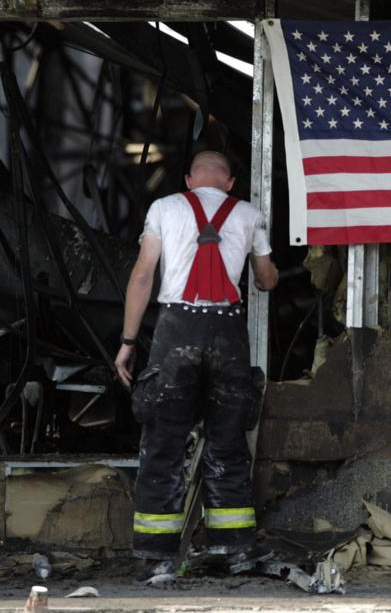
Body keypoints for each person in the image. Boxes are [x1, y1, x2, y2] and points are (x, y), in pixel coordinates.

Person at [114, 150, 278, 564]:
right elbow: (265, 279)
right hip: (227, 332)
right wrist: (270, 271)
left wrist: (128, 342)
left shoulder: (164, 208)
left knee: (164, 440)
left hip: (177, 329)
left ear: (189, 181)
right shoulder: (249, 214)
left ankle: (155, 557)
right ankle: (233, 548)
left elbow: (142, 274)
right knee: (227, 438)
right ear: (228, 184)